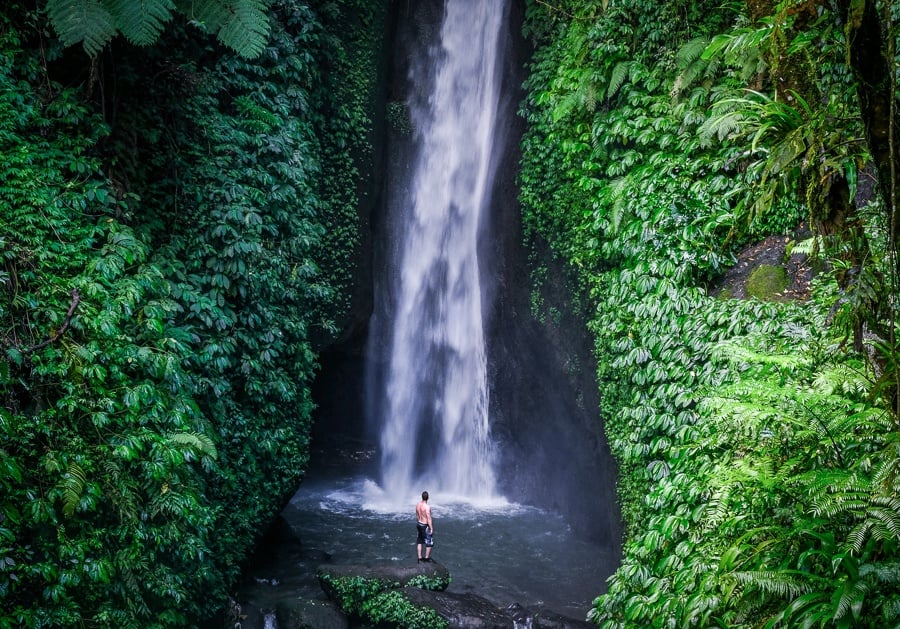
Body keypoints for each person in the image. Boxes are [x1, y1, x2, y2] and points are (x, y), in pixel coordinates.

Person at [415, 490, 434, 562]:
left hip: (419, 523)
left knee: (419, 540)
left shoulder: (418, 504)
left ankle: (419, 558)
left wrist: (419, 520)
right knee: (429, 542)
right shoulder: (427, 507)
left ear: (422, 497)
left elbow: (417, 514)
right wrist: (431, 528)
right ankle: (426, 558)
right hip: (424, 525)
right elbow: (429, 518)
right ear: (428, 498)